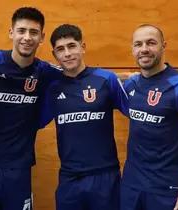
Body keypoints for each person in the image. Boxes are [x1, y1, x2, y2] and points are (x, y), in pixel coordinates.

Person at [0, 7, 61, 210]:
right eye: (21, 31)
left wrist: (129, 79)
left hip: (19, 169)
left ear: (41, 37)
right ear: (11, 33)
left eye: (33, 32)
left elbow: (79, 73)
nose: (27, 37)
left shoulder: (45, 72)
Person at [38, 24, 129, 210]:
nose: (67, 53)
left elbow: (137, 114)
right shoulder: (53, 88)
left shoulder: (106, 80)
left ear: (83, 47)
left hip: (105, 176)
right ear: (54, 54)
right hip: (70, 178)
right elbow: (33, 122)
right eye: (60, 49)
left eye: (72, 46)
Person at [121, 24, 178, 210]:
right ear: (132, 49)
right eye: (138, 44)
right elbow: (103, 80)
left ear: (163, 46)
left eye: (151, 43)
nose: (144, 49)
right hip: (131, 186)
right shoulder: (131, 85)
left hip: (168, 190)